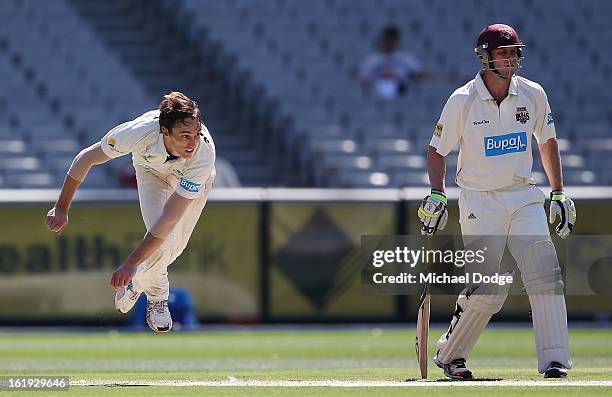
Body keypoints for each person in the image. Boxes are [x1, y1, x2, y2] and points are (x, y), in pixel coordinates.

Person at [417, 24, 576, 379]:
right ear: (485, 57)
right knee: (489, 287)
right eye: (503, 53)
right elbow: (436, 149)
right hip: (479, 201)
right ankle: (451, 355)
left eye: (514, 52)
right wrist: (438, 192)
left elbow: (547, 141)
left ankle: (555, 360)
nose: (510, 59)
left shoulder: (533, 94)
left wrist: (559, 191)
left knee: (544, 271)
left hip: (522, 196)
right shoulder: (463, 99)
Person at [45, 92, 216, 332]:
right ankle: (157, 298)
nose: (192, 142)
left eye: (196, 135)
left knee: (173, 248)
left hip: (192, 179)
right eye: (184, 136)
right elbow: (86, 158)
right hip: (151, 173)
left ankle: (137, 285)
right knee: (162, 243)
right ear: (164, 131)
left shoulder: (203, 155)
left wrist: (132, 264)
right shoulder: (139, 132)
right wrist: (61, 207)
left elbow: (170, 218)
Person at [357, 25, 425, 100]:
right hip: (375, 95)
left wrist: (396, 75)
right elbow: (361, 79)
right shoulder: (371, 60)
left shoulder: (406, 58)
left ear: (397, 41)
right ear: (382, 40)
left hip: (402, 94)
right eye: (387, 40)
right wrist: (381, 74)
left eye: (392, 40)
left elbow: (420, 75)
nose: (389, 43)